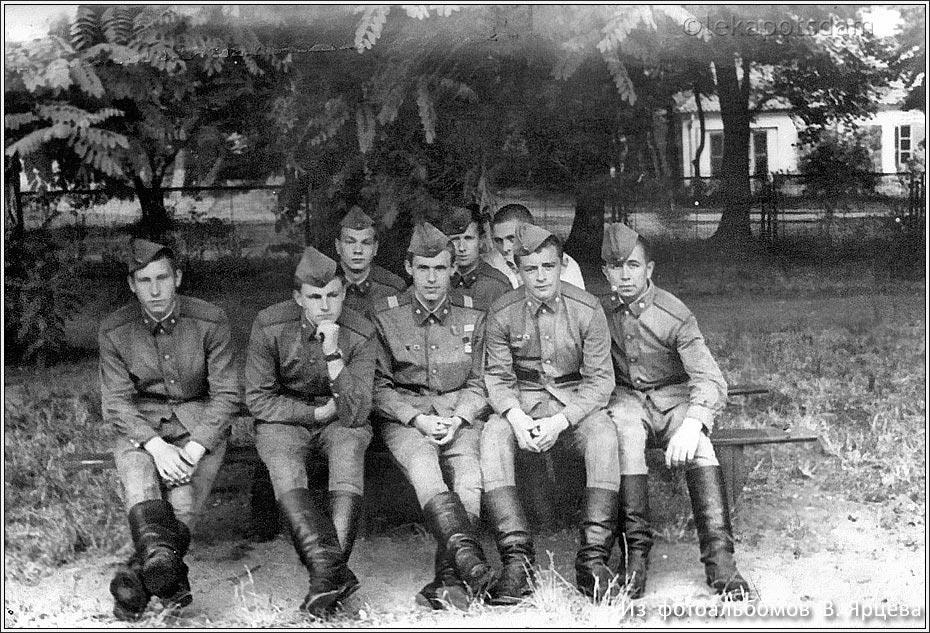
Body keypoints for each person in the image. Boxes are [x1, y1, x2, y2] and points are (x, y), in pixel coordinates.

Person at [598, 222, 750, 600]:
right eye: (616, 267)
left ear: (649, 269)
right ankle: (635, 559)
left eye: (633, 265)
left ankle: (721, 562)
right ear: (605, 272)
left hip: (675, 399)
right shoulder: (599, 313)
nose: (625, 275)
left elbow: (710, 379)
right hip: (627, 400)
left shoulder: (674, 313)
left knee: (700, 446)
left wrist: (693, 423)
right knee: (625, 439)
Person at [99, 239, 238, 620]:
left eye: (162, 278)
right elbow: (116, 403)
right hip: (139, 427)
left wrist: (195, 448)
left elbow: (227, 395)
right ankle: (166, 576)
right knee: (140, 482)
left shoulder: (210, 320)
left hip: (199, 425)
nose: (155, 290)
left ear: (177, 277)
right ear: (132, 285)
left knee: (183, 499)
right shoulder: (114, 330)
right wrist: (157, 447)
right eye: (145, 281)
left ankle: (136, 581)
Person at [481, 224, 621, 604]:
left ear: (561, 265)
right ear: (517, 269)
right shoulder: (502, 311)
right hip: (524, 400)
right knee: (493, 435)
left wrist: (561, 421)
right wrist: (515, 417)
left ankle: (592, 561)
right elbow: (497, 377)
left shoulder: (587, 308)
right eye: (531, 268)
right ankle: (517, 562)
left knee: (604, 434)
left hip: (575, 399)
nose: (541, 276)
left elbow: (601, 381)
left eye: (548, 266)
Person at [245, 246, 377, 615]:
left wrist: (333, 353)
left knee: (349, 448)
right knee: (282, 459)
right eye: (315, 297)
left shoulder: (361, 332)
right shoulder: (270, 325)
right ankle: (331, 574)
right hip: (287, 416)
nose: (325, 306)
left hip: (342, 419)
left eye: (333, 295)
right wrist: (315, 413)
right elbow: (258, 399)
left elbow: (357, 411)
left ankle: (326, 578)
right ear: (298, 298)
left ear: (344, 293)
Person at [371, 222, 495, 610]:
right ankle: (469, 564)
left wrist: (459, 419)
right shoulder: (386, 316)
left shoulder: (472, 314)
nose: (431, 278)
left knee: (470, 475)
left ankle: (449, 577)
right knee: (425, 466)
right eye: (423, 268)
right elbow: (378, 386)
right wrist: (416, 419)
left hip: (459, 415)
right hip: (408, 418)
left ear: (452, 269)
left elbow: (480, 381)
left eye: (440, 268)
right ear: (409, 268)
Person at [485, 203, 587, 290]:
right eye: (498, 241)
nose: (505, 248)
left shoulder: (558, 263)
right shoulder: (490, 263)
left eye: (512, 239)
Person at [335, 206, 408, 316]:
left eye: (366, 243)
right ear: (338, 246)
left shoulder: (393, 288)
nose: (358, 250)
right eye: (350, 242)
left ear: (375, 248)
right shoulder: (325, 284)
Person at [440, 204, 511, 309]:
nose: (461, 247)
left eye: (468, 238)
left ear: (481, 241)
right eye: (455, 239)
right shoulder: (436, 281)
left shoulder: (498, 285)